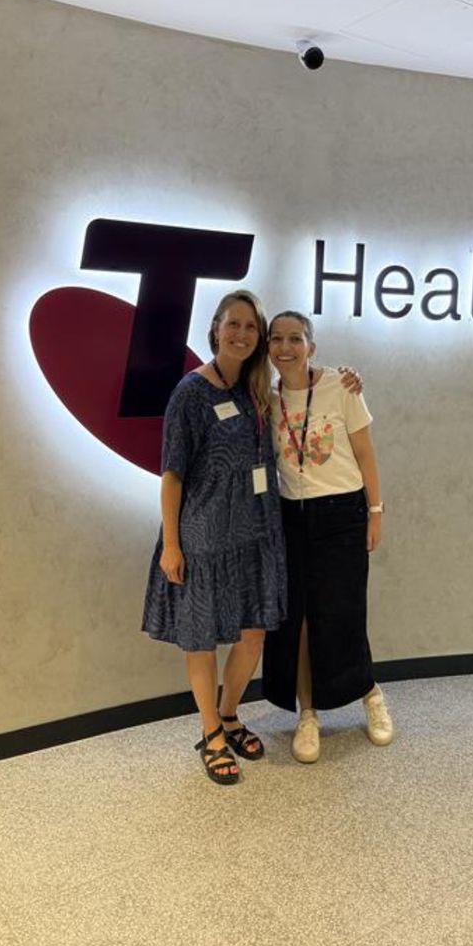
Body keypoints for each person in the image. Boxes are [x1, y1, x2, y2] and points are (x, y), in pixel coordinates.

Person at [142, 290, 286, 785]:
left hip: (256, 535)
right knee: (200, 638)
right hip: (202, 538)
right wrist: (173, 545)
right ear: (216, 327)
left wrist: (350, 377)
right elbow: (172, 475)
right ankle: (210, 733)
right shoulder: (191, 392)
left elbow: (311, 380)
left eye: (251, 327)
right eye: (234, 324)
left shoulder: (259, 389)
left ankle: (229, 714)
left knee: (253, 633)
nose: (242, 334)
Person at [262, 310, 394, 763]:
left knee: (343, 610)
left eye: (295, 338)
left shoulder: (342, 386)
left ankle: (371, 694)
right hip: (289, 516)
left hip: (342, 513)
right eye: (276, 338)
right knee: (296, 618)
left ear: (311, 346)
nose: (285, 347)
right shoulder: (265, 396)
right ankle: (308, 713)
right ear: (268, 347)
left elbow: (365, 452)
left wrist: (375, 512)